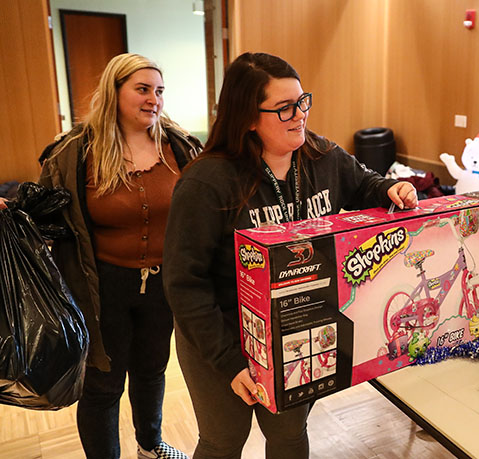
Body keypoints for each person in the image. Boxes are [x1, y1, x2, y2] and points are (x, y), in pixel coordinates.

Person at [162, 52, 417, 459]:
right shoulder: (206, 182)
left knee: (288, 434)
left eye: (302, 102)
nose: (299, 115)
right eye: (284, 108)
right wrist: (229, 363)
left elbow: (365, 183)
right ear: (247, 117)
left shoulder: (323, 156)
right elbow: (183, 285)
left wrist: (390, 189)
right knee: (223, 440)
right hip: (220, 334)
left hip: (296, 330)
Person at [37, 53, 200, 459]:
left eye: (159, 91)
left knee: (151, 372)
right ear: (114, 91)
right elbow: (43, 213)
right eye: (142, 89)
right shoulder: (73, 152)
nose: (153, 99)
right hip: (100, 288)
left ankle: (150, 446)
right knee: (104, 385)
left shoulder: (180, 146)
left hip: (164, 285)